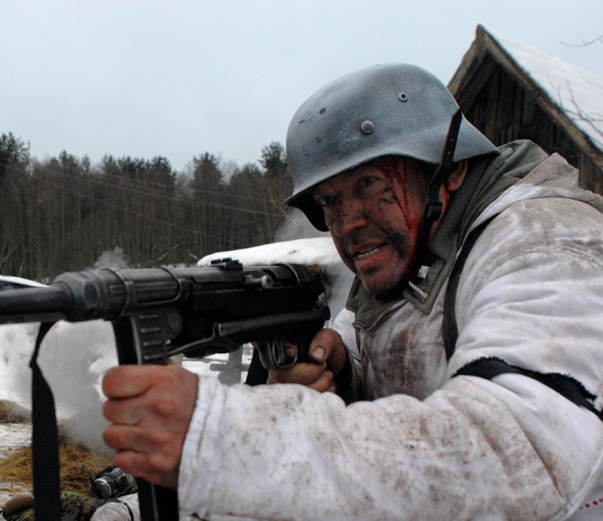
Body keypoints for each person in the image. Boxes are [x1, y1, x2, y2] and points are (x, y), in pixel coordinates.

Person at [101, 63, 603, 520]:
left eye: (369, 183)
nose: (347, 223)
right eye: (328, 201)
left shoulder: (547, 240)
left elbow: (517, 456)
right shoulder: (407, 260)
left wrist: (220, 439)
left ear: (449, 168)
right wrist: (340, 376)